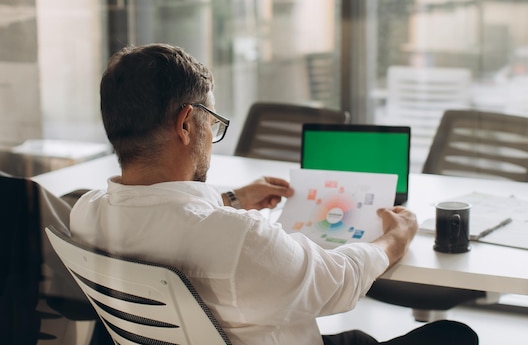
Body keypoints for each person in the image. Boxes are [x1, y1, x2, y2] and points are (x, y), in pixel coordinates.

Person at [70, 43, 479, 345]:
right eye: (210, 122)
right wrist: (395, 239)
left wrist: (231, 198)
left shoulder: (86, 214)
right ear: (186, 124)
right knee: (453, 336)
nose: (211, 137)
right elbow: (339, 281)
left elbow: (166, 213)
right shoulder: (238, 240)